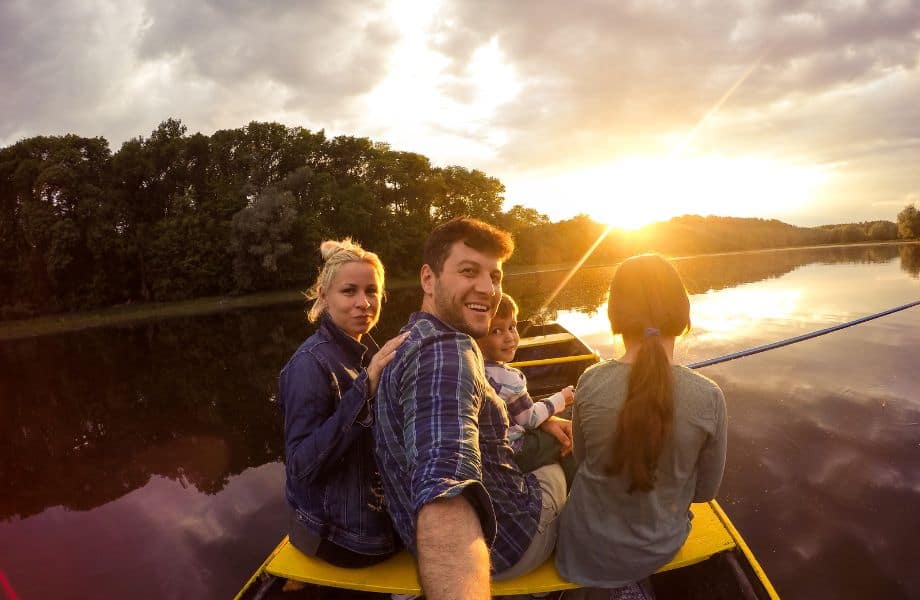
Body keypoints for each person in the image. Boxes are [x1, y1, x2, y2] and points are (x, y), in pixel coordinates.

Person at [374, 218, 570, 600]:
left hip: (417, 541)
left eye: (495, 276)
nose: (488, 288)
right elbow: (444, 481)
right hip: (510, 548)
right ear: (428, 279)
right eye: (468, 271)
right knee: (561, 462)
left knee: (548, 436)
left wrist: (542, 423)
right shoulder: (451, 353)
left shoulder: (408, 338)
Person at [556, 254, 728, 598]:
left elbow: (581, 461)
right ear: (683, 318)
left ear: (616, 318)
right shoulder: (709, 397)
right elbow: (705, 493)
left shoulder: (589, 382)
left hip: (582, 551)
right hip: (657, 549)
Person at [279, 239, 408, 568]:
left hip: (373, 520)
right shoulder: (310, 365)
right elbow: (301, 466)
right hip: (345, 540)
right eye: (349, 291)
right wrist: (366, 388)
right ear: (323, 296)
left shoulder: (365, 351)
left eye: (372, 291)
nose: (364, 303)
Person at [475, 292, 578, 486]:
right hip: (516, 451)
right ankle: (576, 492)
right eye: (497, 331)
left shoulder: (474, 369)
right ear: (478, 337)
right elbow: (529, 419)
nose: (509, 337)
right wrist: (561, 398)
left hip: (493, 448)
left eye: (512, 327)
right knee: (569, 439)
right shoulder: (509, 379)